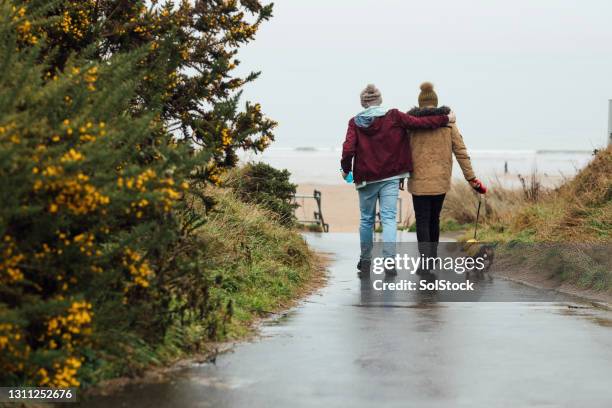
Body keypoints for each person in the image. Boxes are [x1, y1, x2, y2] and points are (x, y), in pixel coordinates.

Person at [341, 84, 455, 279]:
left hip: (366, 178)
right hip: (390, 177)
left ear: (363, 103)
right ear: (380, 100)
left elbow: (348, 149)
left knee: (366, 220)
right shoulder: (394, 116)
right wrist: (446, 119)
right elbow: (420, 124)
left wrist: (346, 170)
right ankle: (390, 261)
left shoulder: (355, 122)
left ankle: (366, 260)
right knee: (388, 218)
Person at [407, 82, 486, 273]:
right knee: (434, 219)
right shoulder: (449, 123)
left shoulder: (412, 123)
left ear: (420, 104)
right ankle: (431, 258)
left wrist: (398, 175)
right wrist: (471, 178)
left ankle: (425, 261)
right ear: (436, 103)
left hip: (418, 180)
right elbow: (461, 151)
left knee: (422, 220)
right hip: (441, 181)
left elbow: (400, 151)